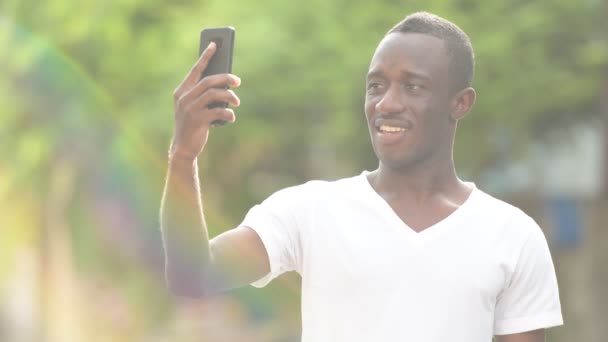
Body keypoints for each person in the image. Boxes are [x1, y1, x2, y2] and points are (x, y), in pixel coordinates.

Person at [160, 11, 563, 342]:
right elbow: (192, 275)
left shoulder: (513, 237)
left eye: (413, 86)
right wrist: (183, 157)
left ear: (460, 102)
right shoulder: (311, 210)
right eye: (376, 85)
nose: (387, 103)